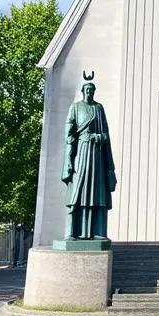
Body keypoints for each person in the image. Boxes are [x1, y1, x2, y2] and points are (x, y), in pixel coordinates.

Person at [61, 75, 117, 240]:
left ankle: (98, 232)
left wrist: (98, 137)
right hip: (81, 153)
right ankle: (72, 232)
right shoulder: (76, 108)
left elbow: (106, 134)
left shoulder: (99, 109)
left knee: (97, 192)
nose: (90, 93)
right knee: (77, 190)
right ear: (82, 91)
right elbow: (69, 130)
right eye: (87, 90)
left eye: (92, 90)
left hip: (97, 156)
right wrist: (70, 153)